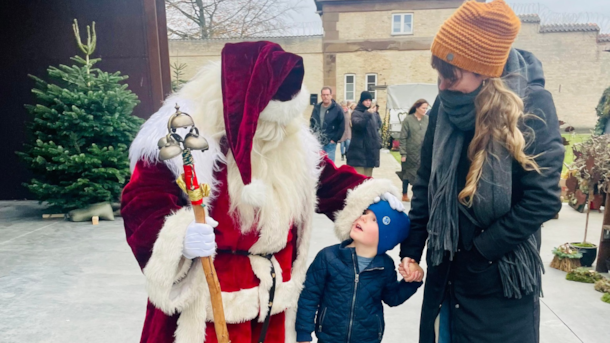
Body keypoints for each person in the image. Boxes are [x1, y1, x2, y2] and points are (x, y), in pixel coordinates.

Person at [121, 41, 404, 343]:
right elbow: (142, 205)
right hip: (205, 299)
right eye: (269, 123)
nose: (279, 132)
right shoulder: (182, 139)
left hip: (270, 298)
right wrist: (177, 240)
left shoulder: (292, 141)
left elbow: (328, 181)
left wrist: (368, 192)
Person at [398, 1, 564, 343]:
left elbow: (542, 200)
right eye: (439, 73)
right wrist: (412, 248)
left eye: (451, 74)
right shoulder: (444, 106)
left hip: (500, 280)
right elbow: (426, 183)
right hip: (446, 275)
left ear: (483, 70)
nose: (441, 85)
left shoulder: (532, 105)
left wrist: (480, 255)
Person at [295, 182, 423, 343]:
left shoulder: (385, 266)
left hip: (367, 338)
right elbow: (309, 297)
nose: (363, 218)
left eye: (374, 219)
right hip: (329, 338)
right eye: (364, 213)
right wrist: (303, 333)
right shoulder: (328, 257)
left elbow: (392, 298)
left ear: (386, 237)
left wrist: (411, 283)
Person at [398, 99, 429, 202]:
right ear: (417, 108)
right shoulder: (408, 120)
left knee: (420, 175)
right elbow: (402, 137)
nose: (425, 110)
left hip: (422, 153)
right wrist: (403, 153)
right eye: (423, 108)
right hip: (409, 153)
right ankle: (404, 194)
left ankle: (418, 195)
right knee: (407, 174)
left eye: (426, 108)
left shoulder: (427, 120)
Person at [347, 91, 382, 177]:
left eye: (370, 100)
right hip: (359, 152)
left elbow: (376, 128)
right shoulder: (356, 113)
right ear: (362, 100)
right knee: (359, 179)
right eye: (366, 100)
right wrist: (367, 114)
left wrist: (378, 142)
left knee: (368, 179)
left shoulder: (373, 114)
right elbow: (358, 125)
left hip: (370, 152)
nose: (368, 102)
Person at [310, 86, 345, 161]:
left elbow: (342, 125)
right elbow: (312, 123)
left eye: (327, 95)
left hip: (330, 142)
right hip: (317, 142)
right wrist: (312, 136)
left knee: (329, 166)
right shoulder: (317, 108)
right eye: (324, 95)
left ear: (331, 95)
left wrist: (334, 139)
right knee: (317, 165)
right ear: (321, 96)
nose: (325, 97)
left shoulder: (337, 109)